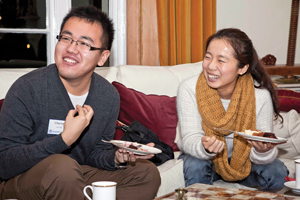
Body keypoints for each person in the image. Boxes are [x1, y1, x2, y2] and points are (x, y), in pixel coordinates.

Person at [0, 6, 160, 200]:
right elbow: (4, 162)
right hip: (25, 178)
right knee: (62, 168)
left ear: (102, 57)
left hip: (75, 174)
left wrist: (116, 158)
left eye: (84, 44)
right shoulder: (28, 89)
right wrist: (63, 140)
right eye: (66, 38)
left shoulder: (107, 95)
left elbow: (95, 153)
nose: (71, 48)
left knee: (145, 173)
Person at [177, 28, 289, 191]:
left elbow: (265, 144)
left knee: (277, 171)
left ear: (242, 68)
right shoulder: (189, 88)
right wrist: (204, 147)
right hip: (206, 159)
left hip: (244, 162)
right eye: (208, 57)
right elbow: (189, 138)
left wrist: (262, 151)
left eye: (221, 60)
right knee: (195, 164)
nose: (210, 66)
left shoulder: (260, 97)